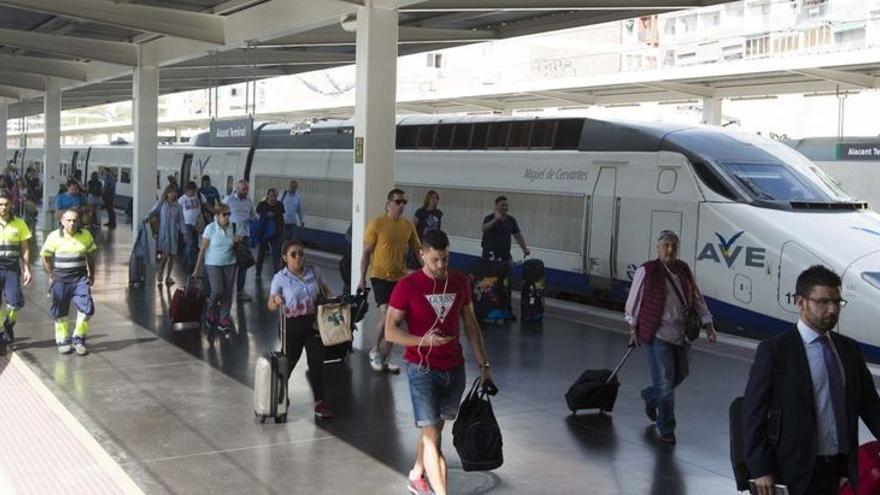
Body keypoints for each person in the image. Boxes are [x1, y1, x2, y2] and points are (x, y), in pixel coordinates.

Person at [743, 265, 880, 495]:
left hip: (841, 469)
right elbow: (753, 414)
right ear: (800, 302)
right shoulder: (776, 352)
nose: (832, 309)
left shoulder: (848, 350)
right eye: (823, 302)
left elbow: (870, 404)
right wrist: (760, 468)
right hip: (797, 470)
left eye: (837, 302)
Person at [385, 229, 493, 495]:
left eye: (445, 259)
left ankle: (416, 474)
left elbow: (470, 324)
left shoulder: (458, 282)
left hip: (454, 370)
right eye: (435, 260)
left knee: (433, 432)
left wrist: (483, 365)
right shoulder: (406, 287)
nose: (441, 266)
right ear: (421, 254)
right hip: (422, 370)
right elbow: (390, 331)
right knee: (433, 438)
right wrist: (424, 341)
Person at [624, 230, 716, 444]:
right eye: (666, 245)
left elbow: (696, 297)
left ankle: (650, 395)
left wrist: (708, 324)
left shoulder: (683, 269)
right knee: (666, 386)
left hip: (682, 334)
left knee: (681, 374)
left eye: (674, 245)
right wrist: (632, 326)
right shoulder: (647, 270)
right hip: (658, 334)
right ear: (657, 248)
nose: (670, 249)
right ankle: (666, 429)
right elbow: (634, 300)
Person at [267, 239, 335, 419]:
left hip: (313, 323)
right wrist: (276, 301)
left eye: (301, 253)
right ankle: (280, 395)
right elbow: (270, 304)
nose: (298, 258)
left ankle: (319, 402)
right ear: (285, 257)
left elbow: (327, 291)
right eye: (293, 254)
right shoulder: (280, 278)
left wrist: (332, 299)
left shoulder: (315, 272)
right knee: (289, 362)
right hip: (291, 325)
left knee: (316, 362)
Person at [358, 188, 421, 374]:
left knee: (397, 320)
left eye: (404, 202)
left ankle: (385, 358)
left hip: (399, 278)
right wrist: (362, 278)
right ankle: (374, 349)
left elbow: (418, 250)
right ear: (389, 203)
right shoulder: (377, 223)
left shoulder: (408, 226)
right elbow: (366, 253)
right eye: (398, 201)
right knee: (386, 317)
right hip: (380, 276)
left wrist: (429, 269)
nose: (401, 205)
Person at [40, 208, 97, 355]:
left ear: (79, 221)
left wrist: (92, 274)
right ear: (62, 221)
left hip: (80, 279)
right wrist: (51, 273)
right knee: (60, 311)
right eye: (68, 220)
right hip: (61, 279)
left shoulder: (86, 235)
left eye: (74, 220)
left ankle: (78, 339)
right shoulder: (54, 237)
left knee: (86, 309)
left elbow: (90, 256)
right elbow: (46, 256)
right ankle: (63, 340)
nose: (72, 223)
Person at [193, 203, 240, 333]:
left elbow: (237, 242)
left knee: (228, 292)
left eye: (229, 214)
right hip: (213, 264)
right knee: (217, 290)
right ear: (217, 215)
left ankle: (223, 319)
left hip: (230, 263)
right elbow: (202, 250)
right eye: (224, 214)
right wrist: (197, 268)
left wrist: (237, 240)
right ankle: (211, 310)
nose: (227, 217)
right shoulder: (210, 228)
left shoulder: (232, 227)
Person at [0, 190, 32, 354]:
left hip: (12, 267)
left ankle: (8, 324)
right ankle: (0, 336)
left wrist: (27, 268)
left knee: (14, 302)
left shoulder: (20, 224)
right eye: (0, 204)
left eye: (6, 204)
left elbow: (25, 247)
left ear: (11, 205)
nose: (3, 207)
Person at [223, 180, 256, 301]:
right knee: (230, 265)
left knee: (243, 265)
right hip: (232, 237)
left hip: (245, 237)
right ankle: (226, 292)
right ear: (237, 188)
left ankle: (240, 291)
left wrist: (256, 218)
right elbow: (220, 214)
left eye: (247, 189)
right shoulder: (229, 200)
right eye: (243, 189)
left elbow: (253, 215)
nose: (246, 191)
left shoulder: (249, 201)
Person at [480, 196, 530, 262]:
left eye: (506, 205)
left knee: (508, 271)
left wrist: (524, 248)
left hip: (505, 254)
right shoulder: (489, 218)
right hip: (490, 254)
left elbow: (518, 236)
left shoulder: (511, 220)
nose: (505, 207)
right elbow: (484, 228)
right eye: (502, 205)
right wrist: (496, 219)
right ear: (496, 206)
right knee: (490, 272)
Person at [156, 185, 186, 287]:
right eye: (171, 192)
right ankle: (160, 271)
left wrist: (184, 232)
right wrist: (147, 218)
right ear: (167, 193)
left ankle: (168, 276)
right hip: (164, 234)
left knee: (173, 255)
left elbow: (181, 221)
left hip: (173, 234)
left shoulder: (178, 207)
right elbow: (154, 211)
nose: (173, 194)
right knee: (165, 255)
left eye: (174, 192)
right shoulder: (161, 204)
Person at [255, 188, 284, 280]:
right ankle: (258, 272)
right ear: (267, 195)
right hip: (264, 232)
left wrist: (282, 232)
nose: (273, 198)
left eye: (275, 196)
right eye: (272, 196)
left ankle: (277, 273)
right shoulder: (262, 205)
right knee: (261, 253)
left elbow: (281, 218)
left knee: (276, 254)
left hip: (276, 233)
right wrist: (266, 215)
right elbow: (257, 214)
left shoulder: (280, 205)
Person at [178, 182, 201, 274]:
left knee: (194, 245)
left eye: (194, 191)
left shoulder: (198, 197)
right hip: (186, 224)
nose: (193, 193)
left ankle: (192, 263)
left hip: (195, 224)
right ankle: (186, 263)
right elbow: (179, 213)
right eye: (192, 191)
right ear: (187, 190)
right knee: (189, 244)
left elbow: (202, 207)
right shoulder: (181, 200)